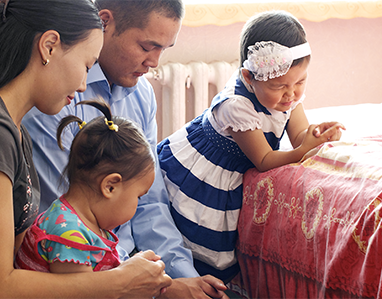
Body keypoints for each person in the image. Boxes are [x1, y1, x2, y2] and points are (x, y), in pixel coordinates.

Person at [0, 0, 172, 298]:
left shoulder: (11, 128)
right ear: (49, 46)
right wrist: (119, 282)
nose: (83, 85)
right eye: (85, 65)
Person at [22, 0, 228, 298]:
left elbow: (150, 201)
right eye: (147, 47)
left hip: (133, 268)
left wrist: (181, 276)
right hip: (86, 270)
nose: (155, 62)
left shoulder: (141, 95)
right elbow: (75, 215)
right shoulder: (54, 99)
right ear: (105, 22)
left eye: (163, 49)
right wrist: (161, 286)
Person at [157, 10, 346, 281]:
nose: (291, 94)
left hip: (240, 162)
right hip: (208, 171)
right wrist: (304, 151)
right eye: (279, 86)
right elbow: (265, 160)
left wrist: (317, 135)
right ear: (248, 77)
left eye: (300, 82)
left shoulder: (286, 95)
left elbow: (300, 135)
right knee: (200, 240)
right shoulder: (237, 107)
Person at [15, 100, 157, 275]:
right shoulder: (69, 235)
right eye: (138, 196)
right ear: (110, 186)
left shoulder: (83, 223)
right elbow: (86, 290)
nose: (137, 204)